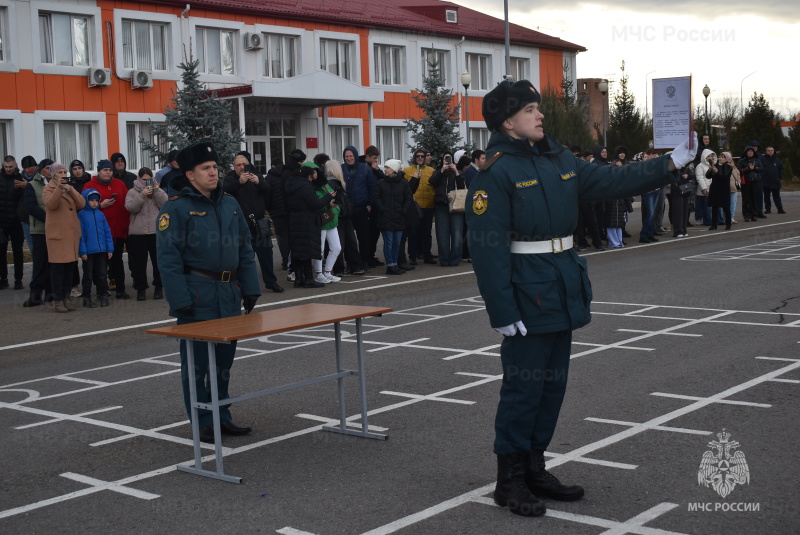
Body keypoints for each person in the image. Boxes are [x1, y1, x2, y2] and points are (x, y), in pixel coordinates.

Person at [466, 79, 696, 517]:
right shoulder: (494, 172)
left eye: (538, 108)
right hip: (526, 292)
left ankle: (535, 467)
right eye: (531, 109)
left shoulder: (559, 158)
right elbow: (486, 248)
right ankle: (509, 479)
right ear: (507, 121)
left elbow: (613, 179)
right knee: (523, 389)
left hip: (561, 284)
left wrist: (670, 162)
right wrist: (501, 309)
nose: (540, 115)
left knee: (551, 387)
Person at [156, 141, 260, 443]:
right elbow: (168, 258)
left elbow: (244, 247)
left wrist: (250, 287)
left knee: (223, 362)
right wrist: (180, 301)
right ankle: (201, 420)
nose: (213, 172)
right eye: (206, 168)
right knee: (197, 363)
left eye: (215, 167)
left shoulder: (229, 203)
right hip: (196, 294)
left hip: (228, 293)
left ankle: (221, 415)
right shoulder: (175, 208)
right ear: (190, 174)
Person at [223, 152, 284, 293]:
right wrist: (239, 182)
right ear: (234, 166)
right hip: (241, 225)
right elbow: (225, 192)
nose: (241, 167)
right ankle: (245, 285)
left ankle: (271, 282)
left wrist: (259, 182)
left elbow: (268, 190)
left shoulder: (256, 175)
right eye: (238, 165)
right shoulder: (230, 178)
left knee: (266, 254)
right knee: (244, 257)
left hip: (259, 223)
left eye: (244, 164)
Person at [285, 154, 336, 288]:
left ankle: (299, 279)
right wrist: (328, 197)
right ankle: (308, 279)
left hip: (294, 220)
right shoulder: (305, 186)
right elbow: (315, 203)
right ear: (308, 175)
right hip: (306, 221)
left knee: (298, 251)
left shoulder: (291, 185)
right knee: (307, 251)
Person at [42, 163, 85, 312]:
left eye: (65, 171)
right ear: (53, 175)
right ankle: (58, 300)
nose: (63, 174)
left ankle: (66, 298)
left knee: (69, 269)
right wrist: (60, 188)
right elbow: (51, 204)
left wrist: (70, 189)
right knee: (57, 269)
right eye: (60, 172)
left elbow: (82, 203)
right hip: (58, 236)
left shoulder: (69, 188)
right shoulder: (48, 188)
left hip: (71, 235)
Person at [85, 160, 130, 299]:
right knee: (100, 264)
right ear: (99, 171)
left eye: (110, 170)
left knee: (117, 261)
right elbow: (84, 207)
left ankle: (121, 290)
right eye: (105, 170)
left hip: (117, 231)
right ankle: (101, 291)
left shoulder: (120, 184)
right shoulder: (90, 186)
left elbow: (127, 204)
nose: (108, 172)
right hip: (98, 233)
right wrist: (100, 205)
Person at [125, 167, 168, 300]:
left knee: (157, 262)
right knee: (139, 263)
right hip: (138, 233)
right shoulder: (132, 192)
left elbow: (166, 204)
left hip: (155, 232)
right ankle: (141, 289)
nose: (146, 183)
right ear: (139, 179)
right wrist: (142, 194)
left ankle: (158, 287)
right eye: (144, 180)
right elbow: (131, 208)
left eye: (149, 180)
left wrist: (157, 190)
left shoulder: (156, 191)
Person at [327, 160, 366, 277]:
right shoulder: (333, 183)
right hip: (340, 216)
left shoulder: (337, 183)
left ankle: (351, 266)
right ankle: (343, 267)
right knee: (343, 243)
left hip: (344, 216)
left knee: (349, 242)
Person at [22, 159, 53, 307]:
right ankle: (35, 296)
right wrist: (48, 218)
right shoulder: (32, 185)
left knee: (53, 263)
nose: (50, 171)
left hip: (56, 230)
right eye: (47, 168)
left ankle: (50, 294)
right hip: (40, 230)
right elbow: (30, 206)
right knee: (40, 263)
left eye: (52, 168)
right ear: (40, 170)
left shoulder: (58, 184)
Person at [306, 162, 342, 283]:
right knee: (319, 250)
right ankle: (318, 273)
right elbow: (314, 204)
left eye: (316, 171)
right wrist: (328, 203)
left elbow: (331, 197)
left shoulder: (324, 184)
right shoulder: (308, 187)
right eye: (312, 172)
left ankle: (327, 271)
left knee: (336, 247)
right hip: (320, 221)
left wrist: (334, 204)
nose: (314, 174)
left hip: (330, 219)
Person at [341, 146, 377, 269]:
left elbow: (373, 188)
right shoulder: (341, 169)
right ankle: (351, 262)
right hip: (347, 209)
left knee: (364, 237)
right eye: (346, 156)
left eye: (351, 156)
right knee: (348, 239)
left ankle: (364, 261)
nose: (349, 158)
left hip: (362, 208)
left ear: (355, 156)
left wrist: (370, 204)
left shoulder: (365, 168)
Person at [429, 151, 467, 266]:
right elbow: (432, 182)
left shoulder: (458, 172)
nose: (447, 161)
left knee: (457, 234)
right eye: (445, 159)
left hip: (456, 206)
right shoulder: (438, 172)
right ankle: (444, 260)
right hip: (441, 206)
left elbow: (462, 186)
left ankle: (455, 259)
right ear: (442, 160)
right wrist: (442, 170)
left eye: (449, 159)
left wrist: (455, 171)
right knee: (442, 235)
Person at [375, 159, 412, 275]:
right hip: (385, 217)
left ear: (394, 169)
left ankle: (395, 264)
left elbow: (408, 198)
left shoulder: (403, 183)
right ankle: (390, 265)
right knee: (389, 242)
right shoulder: (380, 183)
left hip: (399, 217)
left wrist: (404, 210)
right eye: (385, 167)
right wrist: (382, 209)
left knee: (397, 242)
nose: (385, 170)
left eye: (388, 167)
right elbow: (376, 198)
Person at [78, 188, 114, 307]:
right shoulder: (82, 215)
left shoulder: (100, 214)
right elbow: (80, 235)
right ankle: (87, 296)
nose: (94, 203)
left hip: (101, 250)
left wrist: (109, 249)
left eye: (96, 200)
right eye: (91, 200)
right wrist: (82, 251)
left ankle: (102, 294)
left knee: (102, 274)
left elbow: (107, 232)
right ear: (86, 201)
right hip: (88, 251)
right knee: (88, 275)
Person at [403, 149, 436, 264]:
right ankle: (413, 256)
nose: (420, 158)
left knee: (427, 232)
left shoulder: (431, 170)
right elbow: (405, 188)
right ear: (415, 157)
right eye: (418, 156)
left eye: (422, 156)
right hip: (414, 207)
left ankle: (427, 255)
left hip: (428, 205)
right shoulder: (407, 171)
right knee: (413, 232)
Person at [1, 156, 26, 290]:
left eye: (11, 167)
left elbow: (24, 197)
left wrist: (20, 188)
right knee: (1, 252)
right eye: (6, 167)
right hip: (2, 221)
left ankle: (18, 280)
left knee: (18, 252)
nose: (8, 169)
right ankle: (3, 279)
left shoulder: (21, 179)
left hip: (16, 221)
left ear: (15, 165)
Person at [705, 152, 732, 230]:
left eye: (723, 157)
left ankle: (728, 224)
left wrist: (717, 172)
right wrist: (710, 170)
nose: (721, 158)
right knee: (714, 207)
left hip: (724, 189)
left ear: (727, 159)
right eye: (720, 156)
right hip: (715, 188)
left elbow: (725, 178)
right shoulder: (715, 165)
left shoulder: (728, 167)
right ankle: (714, 224)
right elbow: (708, 176)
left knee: (726, 207)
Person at [738, 146, 762, 222]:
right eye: (749, 151)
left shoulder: (757, 160)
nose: (750, 152)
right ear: (746, 152)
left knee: (754, 199)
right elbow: (738, 171)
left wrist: (754, 168)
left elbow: (761, 169)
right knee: (746, 200)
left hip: (755, 182)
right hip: (746, 182)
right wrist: (747, 169)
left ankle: (754, 215)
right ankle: (746, 215)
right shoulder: (742, 161)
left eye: (752, 151)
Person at [669, 164, 693, 238]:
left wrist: (687, 176)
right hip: (677, 189)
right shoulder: (673, 167)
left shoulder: (687, 167)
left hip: (685, 189)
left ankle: (683, 229)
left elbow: (692, 175)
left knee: (685, 210)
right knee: (678, 210)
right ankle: (677, 230)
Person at [762, 146, 785, 214]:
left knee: (777, 196)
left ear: (773, 151)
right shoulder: (763, 159)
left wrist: (780, 177)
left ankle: (780, 208)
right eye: (769, 150)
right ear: (766, 151)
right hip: (766, 182)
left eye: (771, 150)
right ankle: (768, 209)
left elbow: (781, 168)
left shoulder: (777, 159)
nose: (770, 151)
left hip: (775, 181)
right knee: (766, 197)